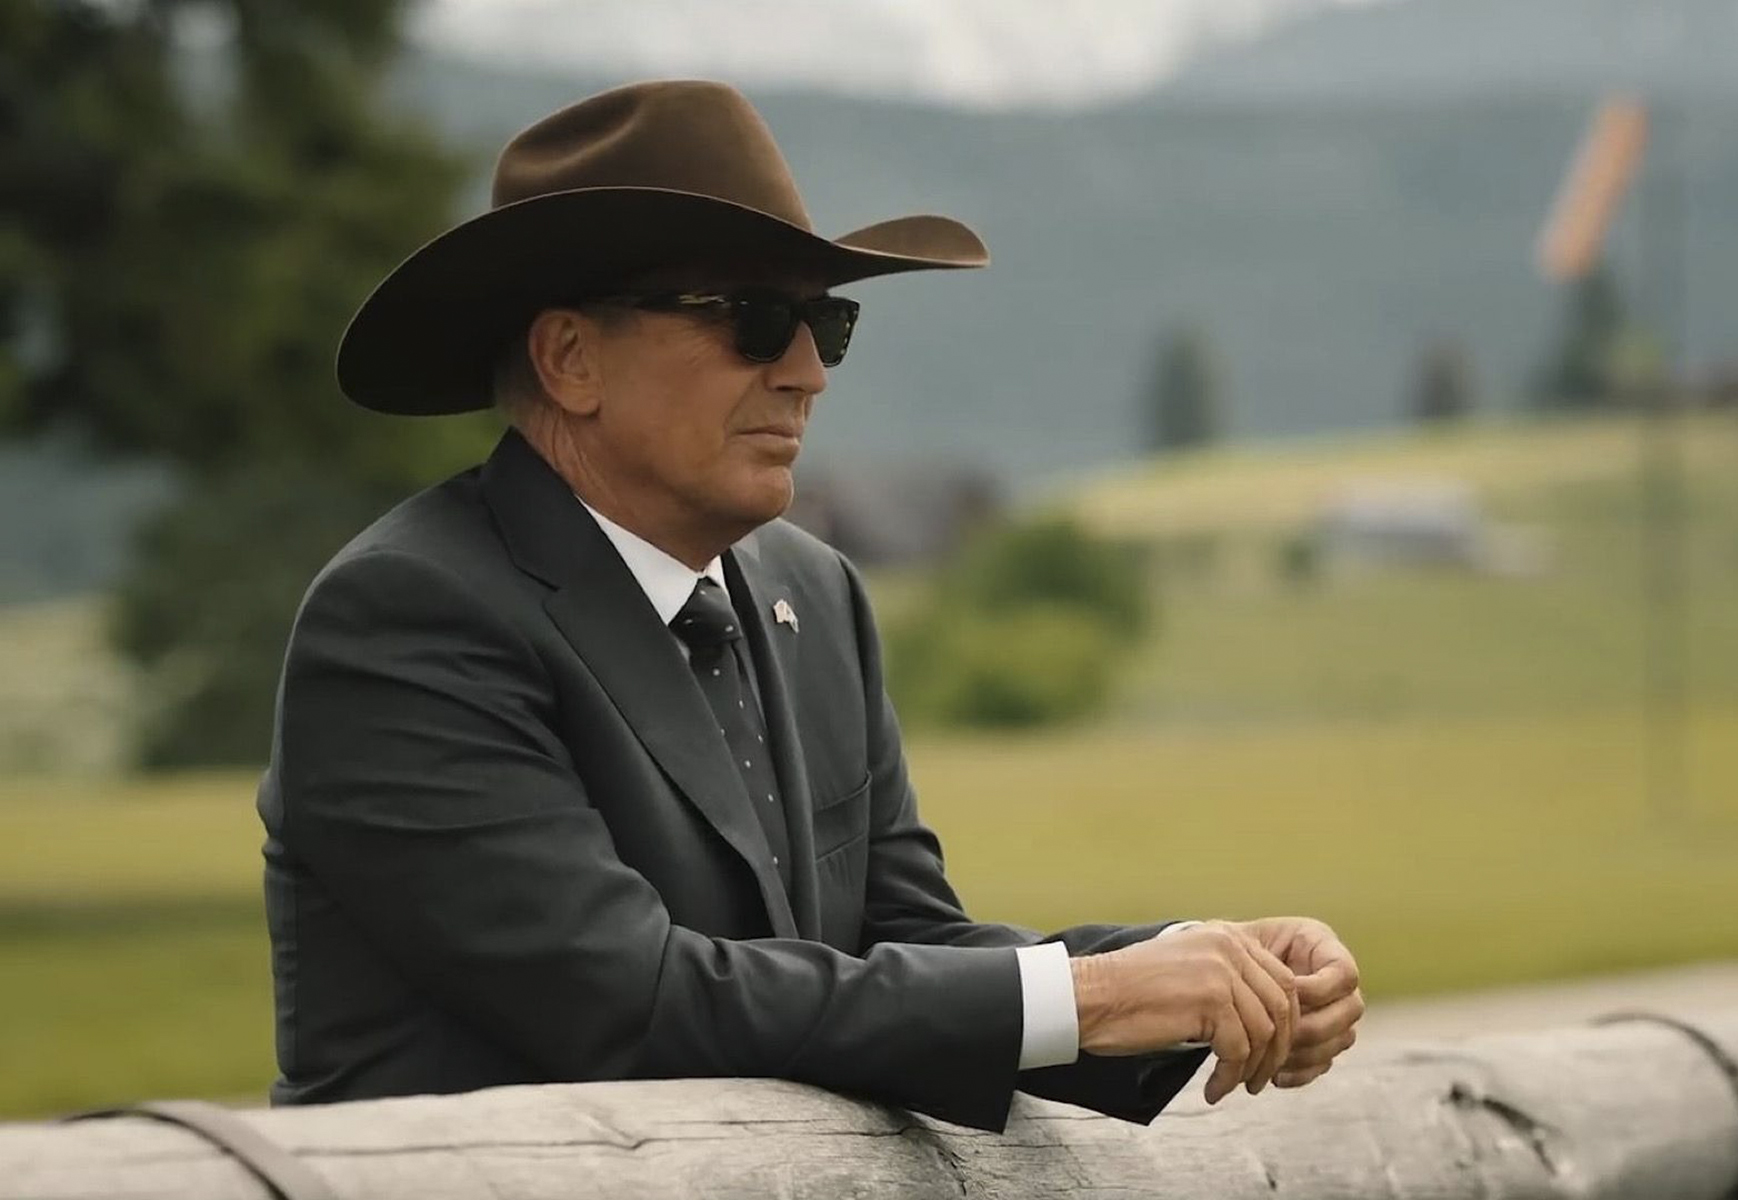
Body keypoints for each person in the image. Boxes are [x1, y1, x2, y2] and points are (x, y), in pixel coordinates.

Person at [258, 79, 1363, 1133]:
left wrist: (1208, 972)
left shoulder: (810, 589)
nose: (807, 373)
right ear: (569, 358)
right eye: (751, 319)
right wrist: (1101, 996)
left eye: (821, 325)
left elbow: (904, 938)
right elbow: (628, 999)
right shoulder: (408, 619)